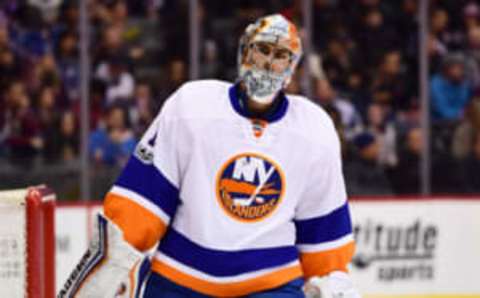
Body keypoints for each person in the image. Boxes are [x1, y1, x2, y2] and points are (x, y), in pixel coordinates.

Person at [65, 14, 360, 298]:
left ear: (292, 68)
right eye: (263, 50)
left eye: (281, 56)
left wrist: (330, 277)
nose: (269, 63)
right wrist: (114, 255)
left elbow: (323, 231)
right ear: (244, 53)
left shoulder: (314, 130)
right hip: (180, 279)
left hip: (270, 285)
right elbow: (143, 202)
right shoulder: (191, 106)